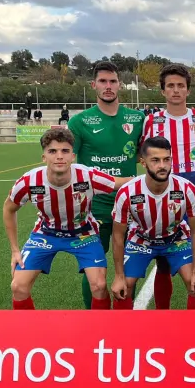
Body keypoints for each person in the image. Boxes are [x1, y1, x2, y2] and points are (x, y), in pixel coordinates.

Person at [3, 128, 130, 310]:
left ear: (73, 156)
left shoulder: (87, 176)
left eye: (65, 151)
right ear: (44, 157)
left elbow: (119, 182)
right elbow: (8, 209)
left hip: (84, 234)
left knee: (99, 286)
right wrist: (15, 250)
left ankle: (100, 331)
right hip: (46, 234)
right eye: (52, 151)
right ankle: (29, 333)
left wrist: (151, 177)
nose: (59, 156)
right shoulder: (29, 181)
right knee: (18, 286)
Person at [140, 63, 195, 308]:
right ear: (163, 91)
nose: (176, 91)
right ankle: (163, 314)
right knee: (163, 260)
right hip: (162, 199)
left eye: (181, 86)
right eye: (170, 86)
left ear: (188, 91)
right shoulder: (152, 120)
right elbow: (142, 153)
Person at [67, 61, 147, 309]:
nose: (108, 86)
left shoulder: (137, 118)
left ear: (119, 85)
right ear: (94, 85)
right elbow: (71, 164)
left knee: (130, 268)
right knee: (95, 270)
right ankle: (95, 321)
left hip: (131, 204)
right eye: (103, 81)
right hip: (94, 206)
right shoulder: (80, 122)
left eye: (112, 81)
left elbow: (141, 155)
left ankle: (125, 321)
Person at [110, 136, 195, 309]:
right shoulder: (127, 192)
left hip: (176, 238)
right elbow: (118, 236)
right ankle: (122, 333)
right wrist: (118, 276)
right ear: (143, 162)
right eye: (155, 160)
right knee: (123, 288)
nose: (162, 165)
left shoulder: (186, 188)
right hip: (142, 239)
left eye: (166, 159)